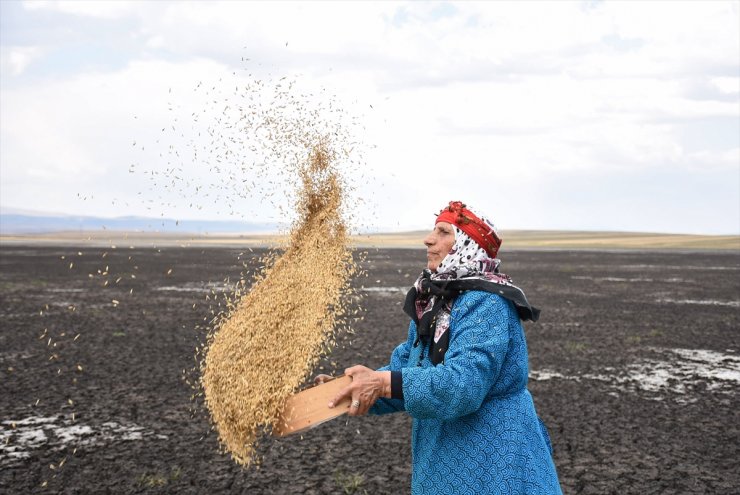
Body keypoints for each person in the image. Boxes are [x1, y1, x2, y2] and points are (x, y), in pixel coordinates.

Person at [320, 201, 562, 494]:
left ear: (467, 246)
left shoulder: (487, 303)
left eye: (444, 232)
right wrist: (349, 389)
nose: (429, 239)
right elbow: (406, 372)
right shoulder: (435, 303)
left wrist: (381, 383)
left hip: (495, 462)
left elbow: (463, 385)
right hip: (443, 458)